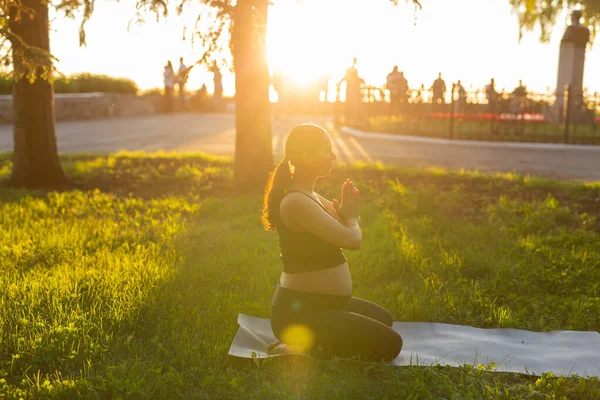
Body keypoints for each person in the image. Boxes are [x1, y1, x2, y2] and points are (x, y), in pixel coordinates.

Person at [263, 123, 403, 362]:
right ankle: (300, 345)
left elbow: (341, 224)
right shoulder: (295, 202)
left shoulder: (312, 197)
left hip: (327, 304)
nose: (334, 156)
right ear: (307, 157)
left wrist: (346, 214)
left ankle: (316, 339)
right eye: (327, 150)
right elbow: (352, 239)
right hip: (300, 312)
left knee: (385, 319)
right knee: (390, 344)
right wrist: (352, 217)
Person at [338, 58, 365, 126]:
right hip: (350, 90)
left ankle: (352, 120)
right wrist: (339, 83)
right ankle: (348, 120)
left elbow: (356, 78)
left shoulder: (355, 70)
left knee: (354, 105)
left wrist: (362, 80)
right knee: (349, 105)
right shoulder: (349, 69)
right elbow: (345, 77)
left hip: (355, 90)